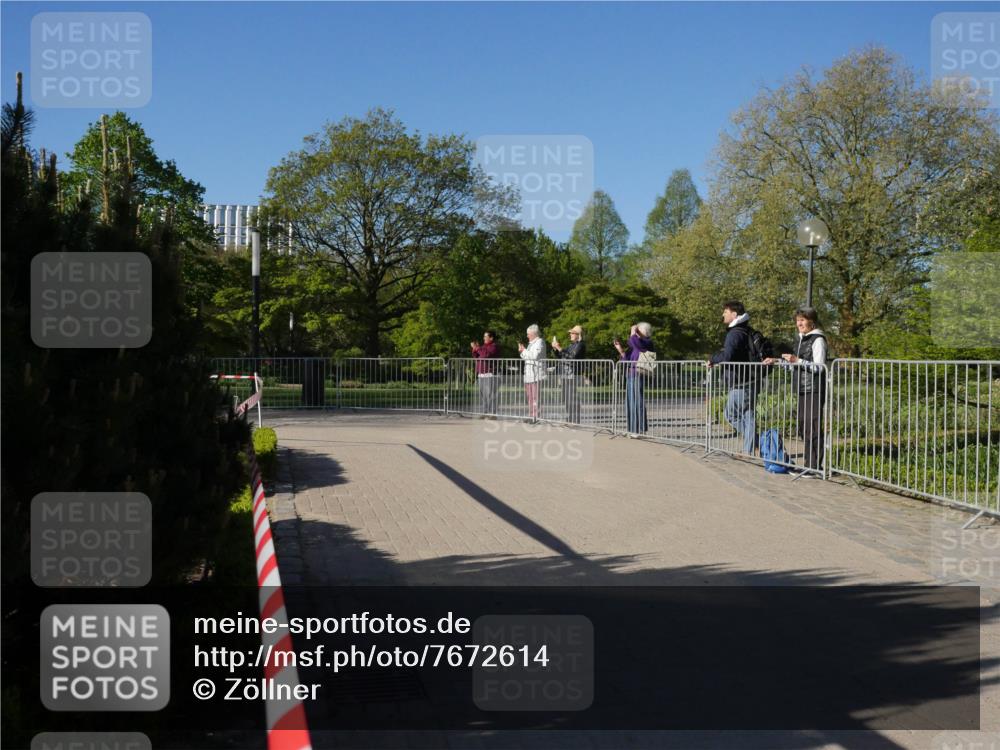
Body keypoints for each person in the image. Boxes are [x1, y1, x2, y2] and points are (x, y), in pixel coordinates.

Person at [765, 308, 827, 470]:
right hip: (800, 388)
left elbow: (820, 367)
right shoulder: (799, 340)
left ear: (812, 321)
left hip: (813, 388)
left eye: (803, 320)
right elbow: (794, 366)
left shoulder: (818, 339)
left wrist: (797, 361)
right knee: (802, 427)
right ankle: (808, 465)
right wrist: (778, 361)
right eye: (797, 320)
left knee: (811, 427)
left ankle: (813, 466)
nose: (799, 323)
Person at [707, 300, 764, 455]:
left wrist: (713, 358)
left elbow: (728, 355)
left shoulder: (735, 333)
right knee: (748, 414)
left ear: (734, 314)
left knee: (730, 414)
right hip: (752, 379)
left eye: (725, 312)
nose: (723, 314)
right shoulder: (746, 330)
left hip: (741, 381)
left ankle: (756, 442)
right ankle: (749, 449)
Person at [614, 322, 654, 436]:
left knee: (638, 401)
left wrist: (633, 332)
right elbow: (626, 359)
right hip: (630, 374)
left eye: (638, 331)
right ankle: (632, 429)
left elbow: (635, 342)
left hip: (639, 374)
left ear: (643, 332)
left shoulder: (647, 342)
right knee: (630, 402)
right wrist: (621, 350)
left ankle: (640, 429)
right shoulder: (635, 345)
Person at [551, 325, 587, 424]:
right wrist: (555, 349)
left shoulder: (580, 345)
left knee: (572, 397)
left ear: (578, 335)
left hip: (573, 375)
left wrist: (560, 348)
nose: (570, 334)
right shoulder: (572, 345)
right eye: (570, 333)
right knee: (567, 397)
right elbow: (561, 356)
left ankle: (575, 419)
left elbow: (572, 358)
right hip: (566, 374)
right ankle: (570, 418)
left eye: (572, 333)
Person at [518, 324, 546, 419]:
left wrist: (524, 350)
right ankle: (531, 415)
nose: (527, 336)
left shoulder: (539, 342)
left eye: (528, 334)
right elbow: (527, 357)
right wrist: (522, 351)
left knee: (536, 397)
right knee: (530, 397)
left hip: (536, 375)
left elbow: (534, 356)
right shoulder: (531, 343)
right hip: (529, 375)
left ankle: (537, 416)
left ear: (534, 334)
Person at [470, 330, 499, 417]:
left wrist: (478, 348)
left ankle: (493, 414)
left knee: (491, 394)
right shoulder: (483, 346)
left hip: (489, 373)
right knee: (483, 395)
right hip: (481, 373)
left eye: (485, 336)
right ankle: (485, 412)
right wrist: (475, 349)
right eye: (484, 336)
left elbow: (485, 355)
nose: (484, 338)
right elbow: (477, 356)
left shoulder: (494, 346)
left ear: (491, 338)